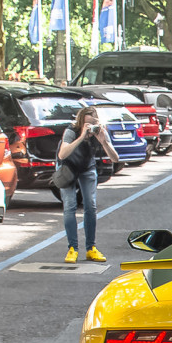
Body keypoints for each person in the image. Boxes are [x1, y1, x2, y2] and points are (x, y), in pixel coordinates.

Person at [57, 106, 118, 263]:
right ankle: (73, 248)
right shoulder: (71, 130)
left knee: (90, 205)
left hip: (87, 167)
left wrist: (104, 142)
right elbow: (62, 154)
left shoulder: (99, 132)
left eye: (94, 123)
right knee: (70, 206)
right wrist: (82, 136)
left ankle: (91, 248)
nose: (91, 128)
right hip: (68, 168)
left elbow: (115, 158)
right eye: (88, 124)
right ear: (81, 122)